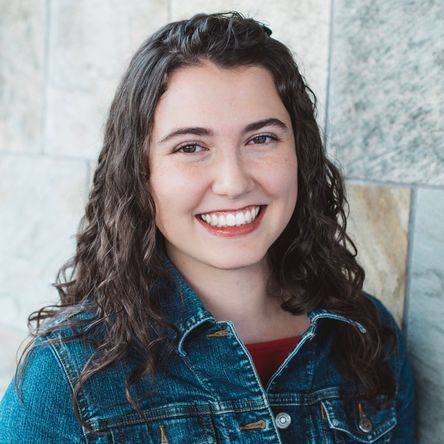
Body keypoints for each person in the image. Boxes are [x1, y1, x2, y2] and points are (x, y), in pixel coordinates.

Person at [0, 11, 414, 443]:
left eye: (261, 138)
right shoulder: (65, 379)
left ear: (301, 154)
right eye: (191, 147)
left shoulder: (369, 339)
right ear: (140, 172)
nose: (233, 183)